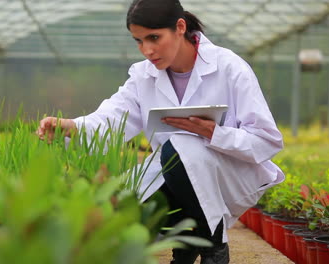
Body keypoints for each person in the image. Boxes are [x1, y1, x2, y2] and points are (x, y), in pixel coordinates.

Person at [36, 0, 285, 263]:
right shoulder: (143, 76)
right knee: (125, 208)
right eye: (139, 41)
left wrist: (214, 133)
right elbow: (111, 119)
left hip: (227, 172)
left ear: (180, 27)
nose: (147, 50)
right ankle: (186, 243)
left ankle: (214, 246)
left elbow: (266, 140)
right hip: (173, 174)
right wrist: (72, 127)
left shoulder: (229, 68)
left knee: (178, 149)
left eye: (154, 37)